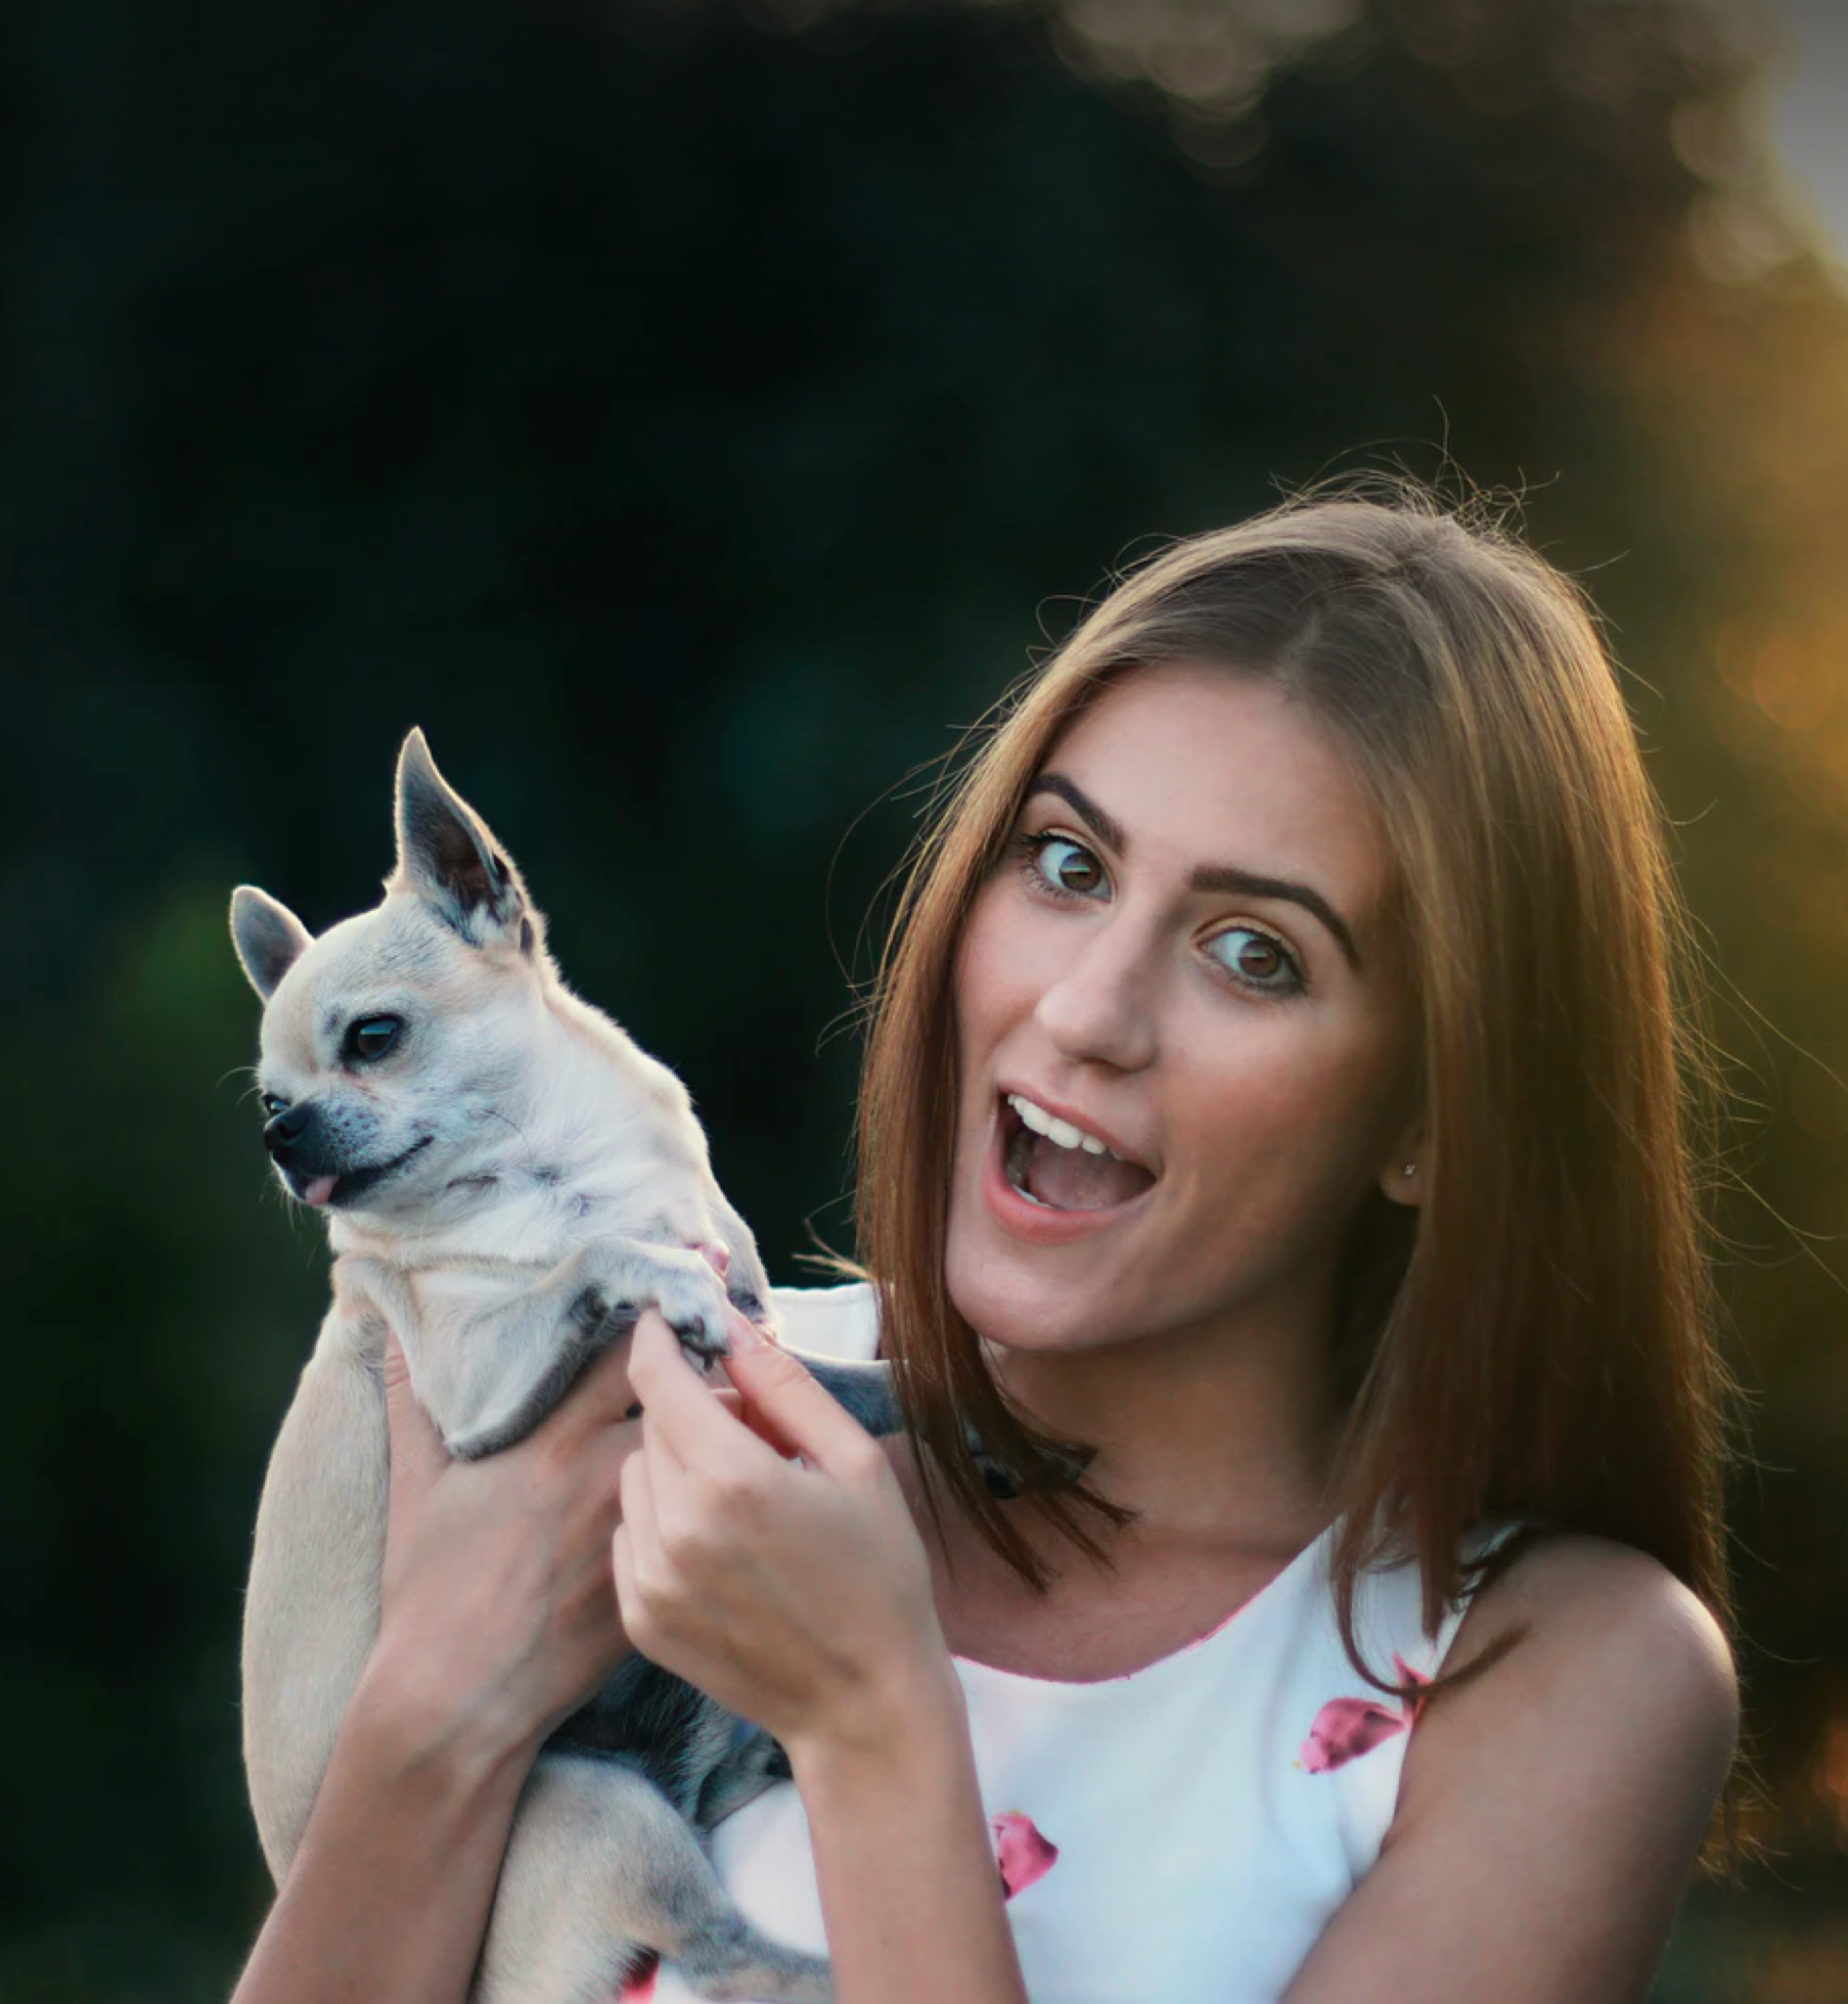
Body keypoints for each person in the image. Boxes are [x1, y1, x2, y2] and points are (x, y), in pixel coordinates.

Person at [231, 491, 1740, 2004]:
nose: (1086, 1011)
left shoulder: (1560, 1678)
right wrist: (439, 1708)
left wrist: (875, 1719)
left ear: (1434, 1110)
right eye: (1069, 867)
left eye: (1254, 953)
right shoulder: (622, 1409)